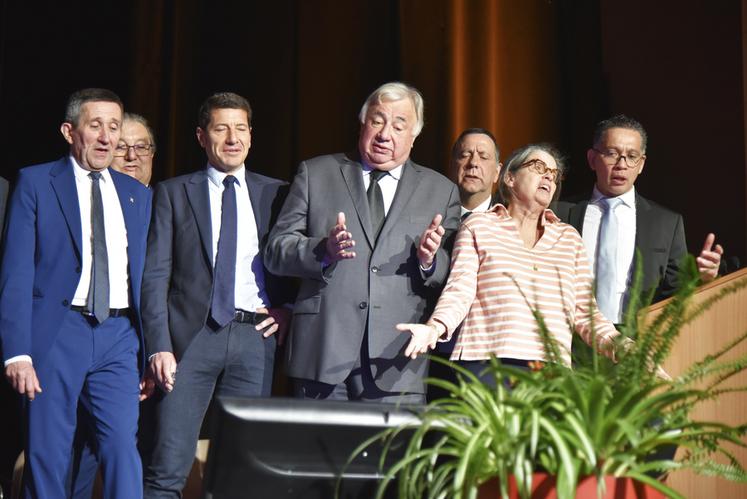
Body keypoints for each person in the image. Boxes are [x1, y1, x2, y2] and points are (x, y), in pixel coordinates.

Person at [264, 81, 461, 404]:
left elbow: (452, 275)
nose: (385, 134)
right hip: (322, 354)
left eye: (399, 126)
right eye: (377, 121)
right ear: (363, 123)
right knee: (315, 455)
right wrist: (322, 252)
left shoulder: (440, 191)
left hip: (396, 360)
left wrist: (429, 260)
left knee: (392, 457)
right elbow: (276, 251)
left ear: (414, 136)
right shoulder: (316, 173)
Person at [0, 88, 151, 498]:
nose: (107, 137)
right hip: (57, 332)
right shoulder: (36, 182)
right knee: (48, 454)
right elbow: (15, 273)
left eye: (114, 126)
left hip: (118, 336)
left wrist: (151, 348)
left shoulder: (137, 194)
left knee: (122, 446)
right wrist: (18, 352)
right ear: (70, 131)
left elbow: (146, 281)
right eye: (95, 125)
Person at [141, 92, 293, 497]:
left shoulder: (277, 194)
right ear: (201, 136)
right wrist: (158, 347)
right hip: (189, 340)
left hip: (253, 338)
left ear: (250, 135)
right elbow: (155, 276)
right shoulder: (173, 193)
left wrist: (289, 309)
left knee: (239, 472)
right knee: (168, 467)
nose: (232, 138)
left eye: (240, 128)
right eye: (221, 128)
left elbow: (295, 264)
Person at [398, 144, 624, 382]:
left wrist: (626, 349)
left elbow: (586, 313)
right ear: (509, 177)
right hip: (486, 364)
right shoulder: (480, 226)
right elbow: (460, 290)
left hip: (550, 371)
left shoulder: (568, 238)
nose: (548, 175)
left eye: (554, 174)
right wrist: (434, 327)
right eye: (538, 167)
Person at [554, 115, 722, 324]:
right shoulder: (559, 214)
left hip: (636, 342)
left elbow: (674, 292)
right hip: (570, 338)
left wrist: (701, 279)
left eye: (631, 156)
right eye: (611, 153)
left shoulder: (666, 223)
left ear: (641, 164)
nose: (621, 164)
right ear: (592, 159)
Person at [451, 128, 501, 217]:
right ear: (452, 165)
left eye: (483, 157)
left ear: (497, 172)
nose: (473, 163)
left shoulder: (509, 221)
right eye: (465, 155)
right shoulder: (433, 215)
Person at [112, 112, 156, 186]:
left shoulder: (162, 197)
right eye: (120, 147)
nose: (131, 156)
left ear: (152, 154)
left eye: (140, 147)